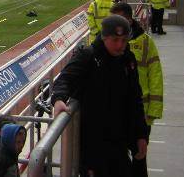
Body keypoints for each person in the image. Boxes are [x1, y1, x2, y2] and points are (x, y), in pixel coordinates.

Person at [51, 15, 148, 177]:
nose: (120, 45)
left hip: (120, 142)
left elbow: (135, 99)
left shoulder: (127, 60)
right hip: (93, 147)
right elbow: (65, 78)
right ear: (104, 38)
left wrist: (141, 135)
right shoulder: (88, 56)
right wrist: (59, 99)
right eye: (115, 40)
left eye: (124, 40)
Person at [110, 2, 163, 177]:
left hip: (141, 113)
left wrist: (153, 111)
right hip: (115, 111)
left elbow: (155, 76)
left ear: (130, 20)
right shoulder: (105, 42)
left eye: (121, 20)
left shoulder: (145, 42)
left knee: (139, 158)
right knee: (117, 158)